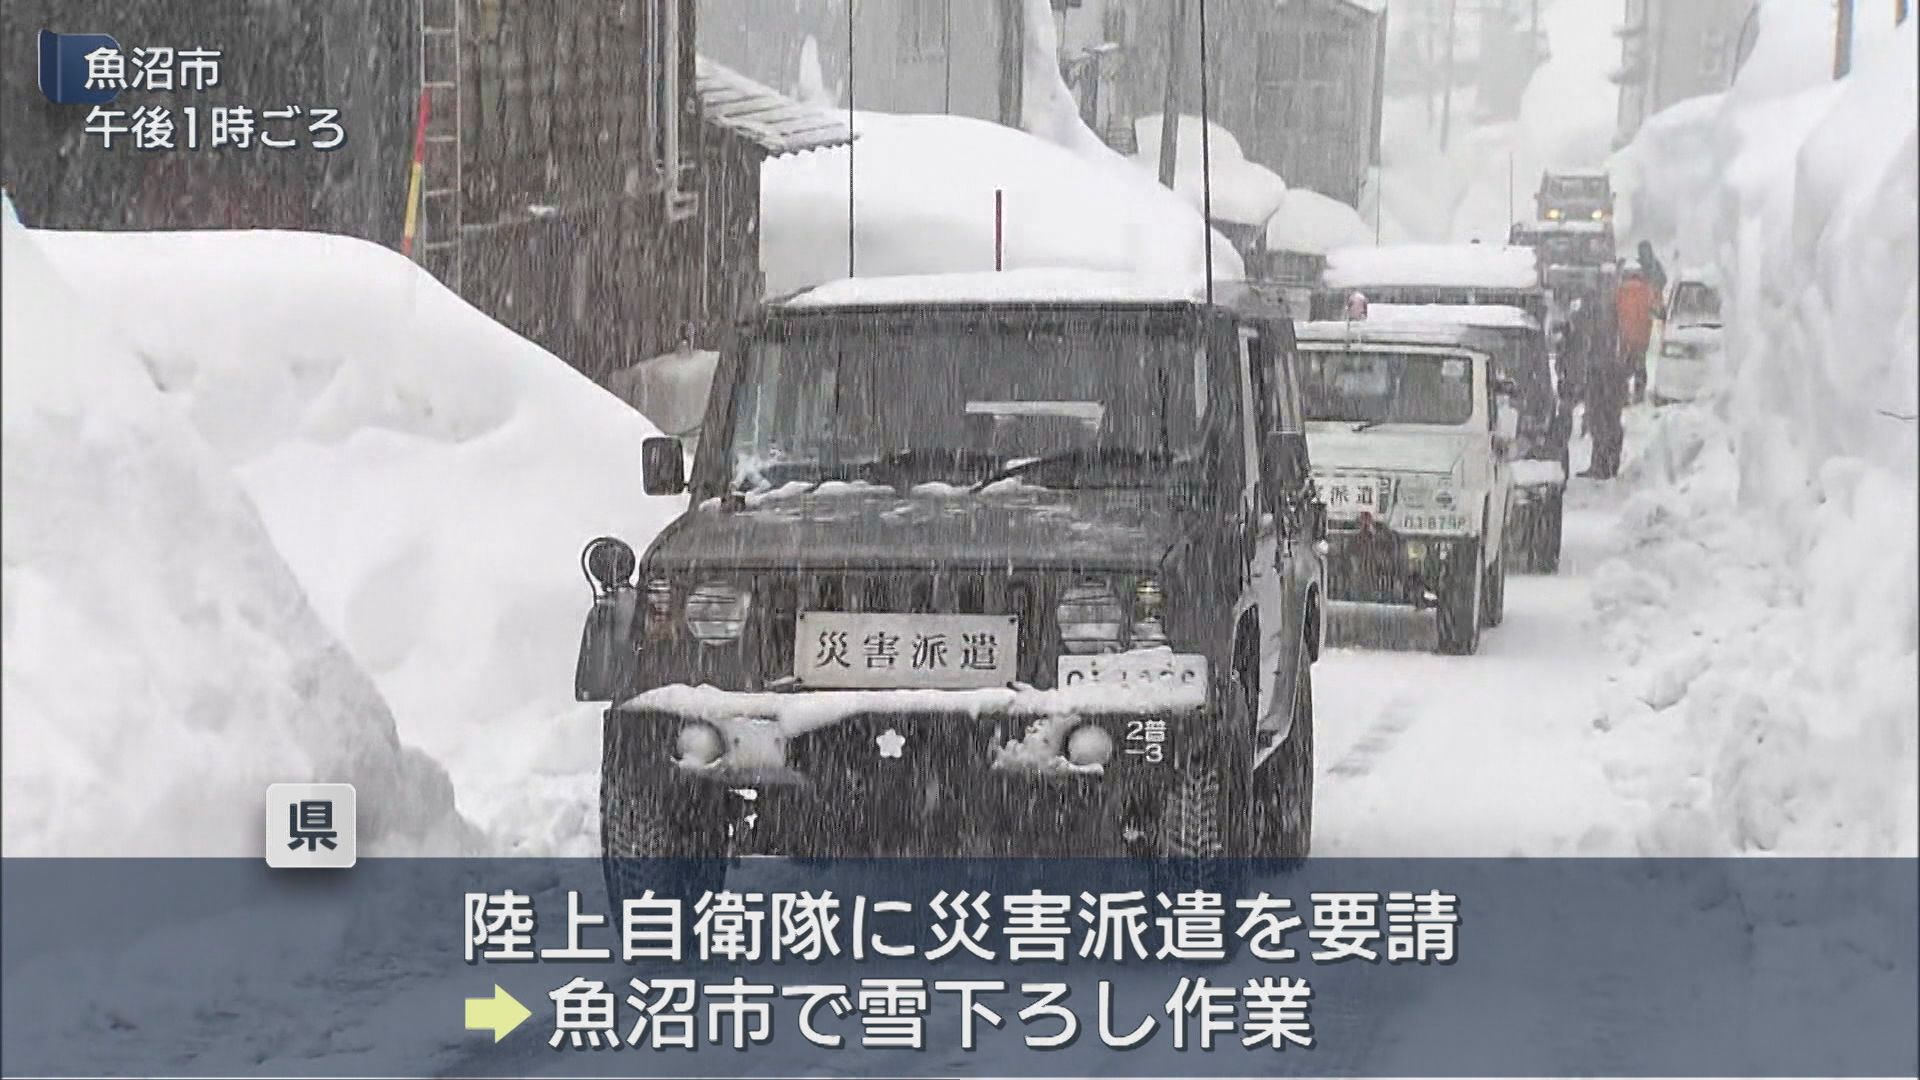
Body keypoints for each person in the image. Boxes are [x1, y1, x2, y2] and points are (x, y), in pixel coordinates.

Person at [1574, 290, 1628, 479]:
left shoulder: (1606, 333)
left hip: (1605, 379)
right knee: (1603, 422)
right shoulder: (1608, 327)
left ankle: (1604, 464)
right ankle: (1604, 464)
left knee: (1603, 423)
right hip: (1605, 379)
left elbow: (1607, 357)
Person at [1615, 264, 1656, 405]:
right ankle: (1639, 394)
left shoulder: (1619, 291)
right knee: (1640, 366)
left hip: (1625, 337)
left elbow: (1615, 311)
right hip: (1642, 336)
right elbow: (1654, 309)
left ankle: (1623, 394)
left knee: (1623, 367)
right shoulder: (1646, 290)